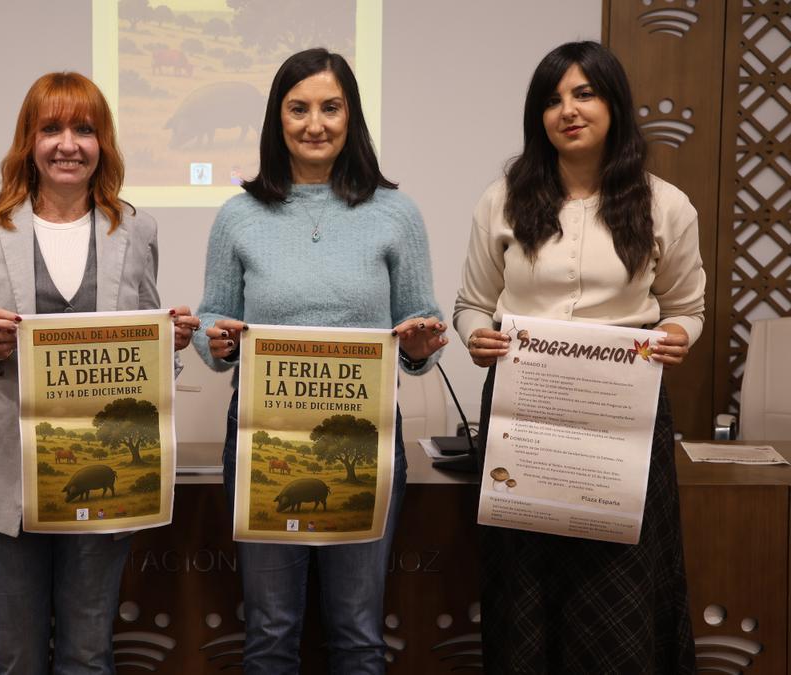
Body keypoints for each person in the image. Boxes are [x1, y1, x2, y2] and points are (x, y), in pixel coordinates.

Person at [0, 71, 198, 674]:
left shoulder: (136, 227)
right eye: (51, 128)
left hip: (103, 467)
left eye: (84, 128)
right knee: (16, 658)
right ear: (28, 140)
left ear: (103, 142)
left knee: (87, 655)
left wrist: (169, 341)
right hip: (3, 467)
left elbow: (146, 358)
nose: (67, 143)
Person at [192, 48, 447, 673]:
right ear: (277, 121)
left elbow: (421, 319)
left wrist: (419, 344)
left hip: (365, 440)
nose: (315, 124)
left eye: (331, 108)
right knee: (271, 632)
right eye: (298, 108)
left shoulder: (396, 213)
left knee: (358, 633)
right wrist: (213, 340)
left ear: (351, 116)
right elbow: (207, 320)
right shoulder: (238, 215)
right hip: (263, 444)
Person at [454, 41, 701, 673]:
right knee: (522, 594)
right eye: (552, 99)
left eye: (583, 93)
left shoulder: (665, 204)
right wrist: (477, 336)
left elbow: (687, 311)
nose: (568, 110)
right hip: (524, 417)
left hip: (622, 420)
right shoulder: (503, 198)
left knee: (615, 596)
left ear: (614, 103)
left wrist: (679, 337)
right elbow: (472, 304)